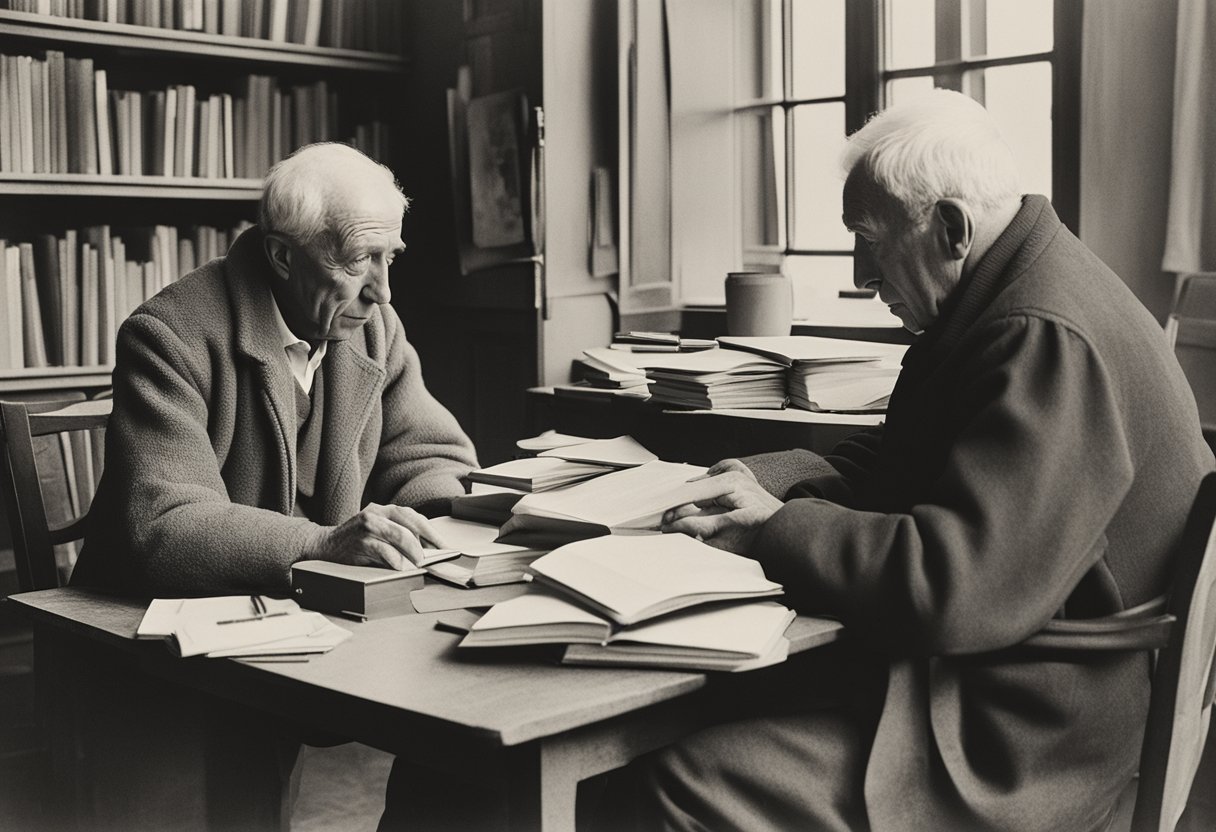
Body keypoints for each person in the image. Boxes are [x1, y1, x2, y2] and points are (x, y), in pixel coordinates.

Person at [640, 90, 1216, 831]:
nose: (860, 274)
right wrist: (765, 482)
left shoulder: (1040, 333)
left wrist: (772, 530)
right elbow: (910, 459)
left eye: (870, 241)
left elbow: (955, 588)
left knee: (690, 776)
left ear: (950, 226)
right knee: (728, 703)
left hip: (1031, 739)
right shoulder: (1016, 287)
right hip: (1038, 693)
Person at [75, 142, 478, 596]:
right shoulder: (166, 335)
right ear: (283, 257)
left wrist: (443, 518)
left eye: (391, 257)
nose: (382, 292)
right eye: (360, 259)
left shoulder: (374, 327)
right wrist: (321, 544)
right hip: (144, 623)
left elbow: (428, 456)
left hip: (304, 610)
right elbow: (168, 526)